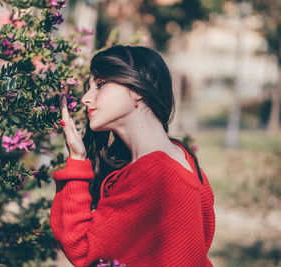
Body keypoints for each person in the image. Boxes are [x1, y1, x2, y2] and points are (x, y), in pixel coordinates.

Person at [50, 45, 215, 267]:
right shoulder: (183, 157)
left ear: (137, 89)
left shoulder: (152, 172)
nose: (86, 99)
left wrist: (77, 161)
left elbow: (83, 249)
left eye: (100, 85)